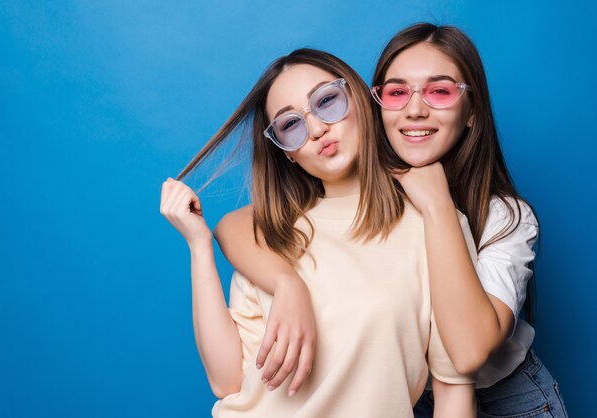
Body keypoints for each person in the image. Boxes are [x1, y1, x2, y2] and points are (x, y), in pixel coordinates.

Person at [215, 24, 569, 417]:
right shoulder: (353, 181)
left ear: (472, 112)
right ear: (375, 104)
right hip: (407, 392)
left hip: (504, 396)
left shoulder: (503, 216)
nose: (415, 109)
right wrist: (286, 283)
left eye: (440, 90)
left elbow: (467, 354)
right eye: (398, 92)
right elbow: (238, 225)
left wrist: (436, 206)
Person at [160, 48, 476, 417]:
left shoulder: (433, 224)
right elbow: (227, 381)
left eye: (327, 101)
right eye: (290, 124)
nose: (315, 129)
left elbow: (454, 388)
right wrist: (199, 246)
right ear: (287, 153)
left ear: (359, 99)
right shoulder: (267, 236)